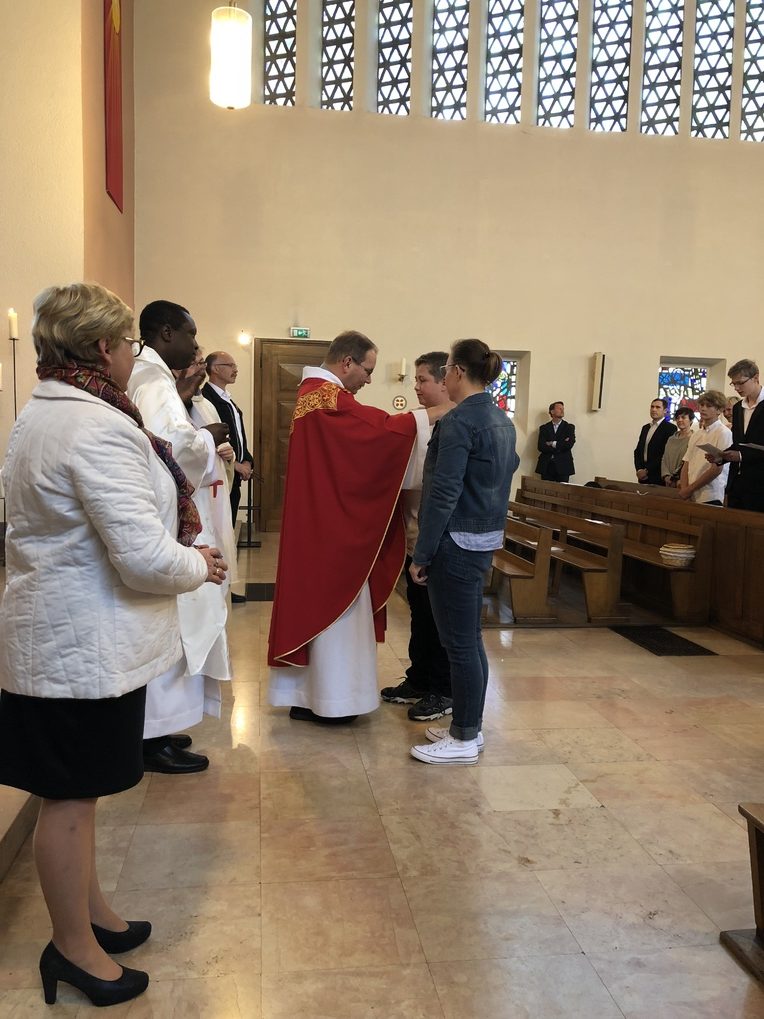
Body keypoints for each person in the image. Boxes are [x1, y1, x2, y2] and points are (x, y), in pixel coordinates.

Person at [0, 283, 226, 1007]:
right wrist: (200, 564)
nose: (134, 352)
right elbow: (143, 557)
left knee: (81, 792)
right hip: (78, 646)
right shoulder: (94, 425)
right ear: (104, 347)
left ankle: (92, 914)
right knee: (69, 799)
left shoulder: (49, 409)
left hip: (68, 636)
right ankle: (72, 948)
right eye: (129, 342)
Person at [267, 330, 443, 724]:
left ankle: (309, 695)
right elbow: (378, 432)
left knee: (320, 605)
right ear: (347, 362)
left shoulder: (316, 395)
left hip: (321, 523)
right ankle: (334, 700)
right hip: (333, 533)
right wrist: (434, 413)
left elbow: (368, 433)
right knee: (338, 606)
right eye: (367, 370)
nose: (369, 379)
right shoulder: (327, 398)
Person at [128, 301, 232, 774]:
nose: (195, 345)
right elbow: (169, 452)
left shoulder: (151, 377)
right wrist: (207, 436)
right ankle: (152, 737)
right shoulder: (152, 381)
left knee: (178, 621)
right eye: (190, 334)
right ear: (167, 333)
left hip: (167, 520)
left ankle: (161, 728)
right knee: (175, 623)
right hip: (167, 526)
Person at [409, 339, 519, 765]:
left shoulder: (459, 421)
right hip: (483, 537)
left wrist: (422, 552)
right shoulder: (500, 418)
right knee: (469, 639)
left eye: (445, 371)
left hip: (454, 541)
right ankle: (470, 725)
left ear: (455, 371)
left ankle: (463, 737)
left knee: (459, 644)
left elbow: (443, 493)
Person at [381, 352, 455, 722]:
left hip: (439, 540)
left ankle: (444, 689)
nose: (416, 386)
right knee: (420, 614)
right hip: (415, 538)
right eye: (416, 379)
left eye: (423, 379)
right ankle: (420, 678)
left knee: (439, 619)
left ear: (444, 381)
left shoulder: (455, 423)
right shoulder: (423, 420)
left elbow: (439, 486)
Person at [202, 352, 255, 527]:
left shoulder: (227, 399)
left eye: (235, 366)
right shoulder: (206, 399)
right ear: (215, 369)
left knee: (229, 527)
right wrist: (235, 464)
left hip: (234, 476)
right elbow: (210, 438)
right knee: (219, 528)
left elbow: (238, 435)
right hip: (218, 477)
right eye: (230, 365)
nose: (235, 370)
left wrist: (247, 460)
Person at [710, 360, 764, 512]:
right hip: (737, 485)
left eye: (740, 383)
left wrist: (741, 456)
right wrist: (721, 456)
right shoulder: (738, 407)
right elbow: (738, 443)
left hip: (760, 484)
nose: (737, 388)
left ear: (756, 377)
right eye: (734, 384)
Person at [679, 391, 731, 505]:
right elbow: (686, 463)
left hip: (710, 493)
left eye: (708, 406)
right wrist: (684, 488)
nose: (703, 409)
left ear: (719, 410)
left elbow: (717, 469)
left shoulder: (723, 433)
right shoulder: (696, 434)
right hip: (691, 494)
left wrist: (690, 489)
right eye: (702, 405)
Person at [634, 398, 676, 485]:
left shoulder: (670, 428)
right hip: (642, 475)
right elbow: (638, 451)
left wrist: (647, 470)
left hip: (658, 475)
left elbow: (664, 453)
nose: (654, 409)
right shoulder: (645, 428)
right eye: (652, 407)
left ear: (665, 410)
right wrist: (639, 469)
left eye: (657, 407)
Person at [535, 401, 575, 482]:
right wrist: (560, 444)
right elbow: (541, 446)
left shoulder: (569, 427)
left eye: (563, 409)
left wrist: (551, 443)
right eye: (559, 408)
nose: (562, 410)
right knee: (545, 488)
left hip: (563, 465)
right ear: (552, 411)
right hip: (547, 465)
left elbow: (569, 445)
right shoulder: (544, 428)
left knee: (562, 489)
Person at [661, 406, 695, 487]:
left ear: (691, 420)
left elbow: (689, 461)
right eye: (678, 418)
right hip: (668, 480)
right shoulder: (671, 439)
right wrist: (666, 476)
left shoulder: (694, 439)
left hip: (682, 481)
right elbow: (664, 458)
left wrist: (675, 478)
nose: (680, 420)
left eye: (683, 417)